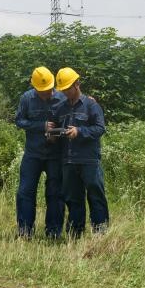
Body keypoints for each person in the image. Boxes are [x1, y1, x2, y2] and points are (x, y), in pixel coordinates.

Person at [14, 66, 66, 239]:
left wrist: (55, 133)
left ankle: (53, 233)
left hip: (55, 155)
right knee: (25, 192)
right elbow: (19, 121)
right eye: (43, 91)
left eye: (50, 89)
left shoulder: (62, 98)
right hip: (33, 154)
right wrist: (40, 126)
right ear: (35, 88)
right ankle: (25, 232)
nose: (47, 94)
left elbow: (70, 119)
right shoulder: (26, 99)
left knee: (55, 193)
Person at [56, 67, 109, 236]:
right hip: (68, 161)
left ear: (77, 84)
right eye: (62, 90)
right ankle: (75, 233)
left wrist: (80, 132)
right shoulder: (60, 108)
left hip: (89, 160)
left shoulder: (91, 105)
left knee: (95, 195)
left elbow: (100, 128)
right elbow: (56, 128)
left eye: (67, 89)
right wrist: (52, 134)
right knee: (73, 199)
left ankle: (100, 233)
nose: (65, 92)